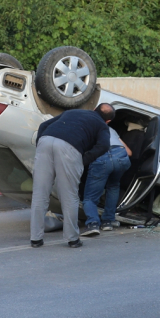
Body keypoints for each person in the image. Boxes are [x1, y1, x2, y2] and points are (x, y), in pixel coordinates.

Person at [30, 104, 114, 248]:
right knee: (69, 196)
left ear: (94, 109)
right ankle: (72, 239)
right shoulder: (102, 125)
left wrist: (40, 144)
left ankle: (35, 239)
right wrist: (83, 160)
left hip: (46, 140)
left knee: (40, 193)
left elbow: (44, 125)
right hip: (70, 148)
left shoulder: (72, 112)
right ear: (108, 121)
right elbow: (104, 145)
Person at [81, 120, 132, 237]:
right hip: (121, 157)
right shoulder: (111, 130)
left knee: (90, 197)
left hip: (102, 158)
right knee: (113, 186)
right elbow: (129, 152)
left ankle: (93, 224)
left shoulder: (85, 130)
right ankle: (108, 222)